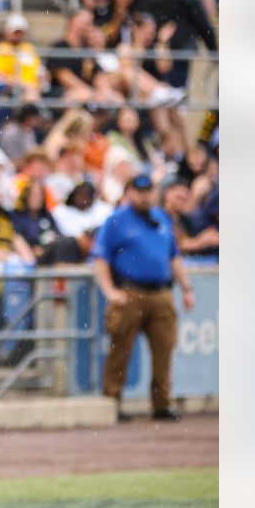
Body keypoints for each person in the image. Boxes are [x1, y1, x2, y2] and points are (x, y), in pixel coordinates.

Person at [90, 173, 195, 422]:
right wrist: (110, 291)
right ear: (129, 193)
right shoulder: (116, 220)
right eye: (139, 191)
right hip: (130, 292)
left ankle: (161, 404)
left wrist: (187, 288)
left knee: (164, 349)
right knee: (120, 348)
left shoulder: (161, 218)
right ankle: (112, 403)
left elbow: (174, 256)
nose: (144, 195)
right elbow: (100, 258)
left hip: (161, 292)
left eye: (148, 190)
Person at [0, 14, 47, 103]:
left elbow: (39, 71)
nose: (17, 35)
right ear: (7, 32)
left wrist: (41, 81)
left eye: (20, 32)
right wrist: (22, 84)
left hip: (33, 89)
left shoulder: (29, 49)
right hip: (10, 90)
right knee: (31, 97)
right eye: (15, 32)